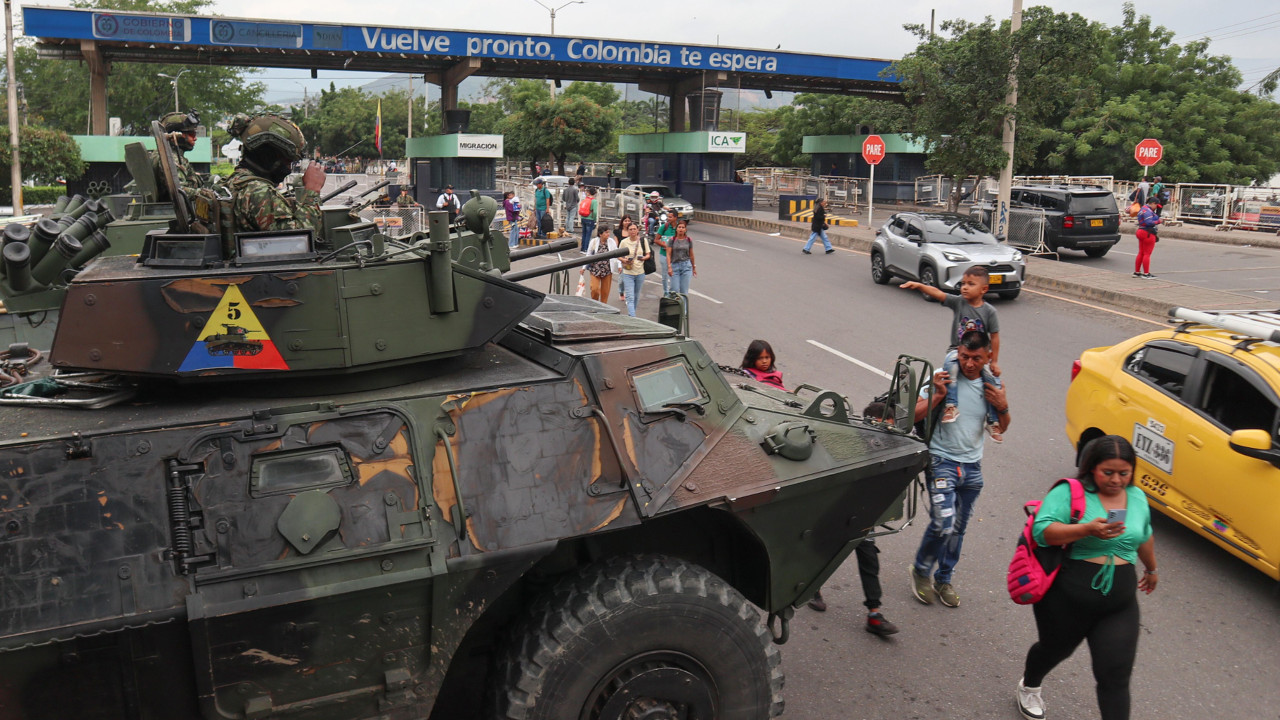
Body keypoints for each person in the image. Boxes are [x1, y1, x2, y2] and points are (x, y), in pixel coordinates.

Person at [1017, 435, 1157, 720]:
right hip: (1066, 598)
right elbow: (1042, 532)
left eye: (1124, 473)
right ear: (1092, 467)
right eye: (1108, 472)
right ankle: (1029, 685)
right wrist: (1086, 529)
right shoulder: (1070, 492)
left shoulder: (1137, 497)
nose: (1116, 480)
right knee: (1054, 650)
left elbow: (1144, 535)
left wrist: (1151, 568)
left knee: (1115, 676)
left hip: (1118, 604)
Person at [908, 329, 1010, 608]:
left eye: (977, 358)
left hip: (972, 467)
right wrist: (939, 396)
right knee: (943, 523)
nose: (969, 364)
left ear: (988, 356)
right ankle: (921, 570)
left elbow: (1002, 427)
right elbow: (912, 415)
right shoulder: (944, 376)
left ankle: (944, 577)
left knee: (958, 528)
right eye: (964, 356)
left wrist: (1003, 406)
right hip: (941, 461)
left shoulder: (992, 384)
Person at [807, 397, 904, 636]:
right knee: (826, 552)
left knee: (869, 559)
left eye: (890, 426)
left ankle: (874, 612)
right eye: (882, 426)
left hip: (864, 514)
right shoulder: (851, 442)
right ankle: (812, 589)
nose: (886, 431)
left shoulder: (895, 446)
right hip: (839, 509)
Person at [900, 267, 1005, 442]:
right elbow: (938, 293)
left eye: (971, 284)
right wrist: (919, 285)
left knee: (992, 383)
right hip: (956, 351)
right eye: (963, 283)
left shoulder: (989, 312)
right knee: (951, 371)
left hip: (979, 355)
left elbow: (995, 337)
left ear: (984, 289)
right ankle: (951, 406)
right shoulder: (959, 303)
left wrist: (994, 361)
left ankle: (992, 422)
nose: (964, 287)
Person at [226, 113, 324, 234]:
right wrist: (312, 191)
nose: (288, 168)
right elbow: (300, 239)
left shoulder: (232, 182)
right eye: (288, 161)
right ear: (269, 156)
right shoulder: (258, 192)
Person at [150, 110, 210, 200]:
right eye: (192, 134)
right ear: (176, 135)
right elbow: (179, 190)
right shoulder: (171, 159)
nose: (195, 138)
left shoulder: (164, 154)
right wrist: (204, 194)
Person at [618, 222, 650, 317]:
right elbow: (618, 255)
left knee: (636, 296)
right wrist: (625, 260)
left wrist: (643, 258)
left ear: (637, 230)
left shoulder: (643, 241)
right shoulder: (624, 242)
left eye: (634, 229)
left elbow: (648, 254)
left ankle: (632, 314)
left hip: (640, 272)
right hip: (628, 272)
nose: (632, 231)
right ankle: (633, 317)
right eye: (630, 229)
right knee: (630, 297)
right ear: (627, 231)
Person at [585, 224, 619, 303]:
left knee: (605, 293)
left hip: (607, 270)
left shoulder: (611, 242)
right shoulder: (593, 242)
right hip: (595, 270)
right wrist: (583, 268)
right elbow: (588, 254)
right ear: (600, 234)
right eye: (606, 232)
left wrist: (619, 266)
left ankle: (603, 308)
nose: (608, 234)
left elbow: (617, 253)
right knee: (595, 289)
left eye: (608, 232)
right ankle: (595, 303)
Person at [1134, 196, 1161, 279]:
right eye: (1156, 205)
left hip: (1140, 231)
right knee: (1147, 254)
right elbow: (1149, 222)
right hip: (1147, 233)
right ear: (1153, 203)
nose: (1156, 207)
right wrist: (1159, 221)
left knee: (1141, 252)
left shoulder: (1142, 209)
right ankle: (1146, 274)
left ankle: (1137, 272)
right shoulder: (1148, 211)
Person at [667, 218, 697, 296]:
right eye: (679, 227)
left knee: (684, 292)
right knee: (675, 290)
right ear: (676, 229)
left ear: (685, 229)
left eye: (683, 227)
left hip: (686, 266)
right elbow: (668, 254)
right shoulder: (672, 240)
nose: (681, 229)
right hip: (675, 267)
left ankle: (684, 308)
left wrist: (693, 267)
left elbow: (691, 254)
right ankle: (674, 307)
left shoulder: (689, 240)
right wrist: (669, 267)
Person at [652, 210, 676, 294]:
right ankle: (666, 292)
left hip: (675, 256)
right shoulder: (664, 227)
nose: (668, 219)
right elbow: (656, 240)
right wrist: (666, 246)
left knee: (674, 274)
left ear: (675, 218)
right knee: (665, 275)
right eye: (668, 217)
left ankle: (673, 291)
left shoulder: (679, 228)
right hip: (664, 254)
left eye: (670, 217)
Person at [580, 185, 599, 252]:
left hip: (583, 217)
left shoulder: (585, 199)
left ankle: (582, 248)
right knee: (588, 234)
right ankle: (586, 249)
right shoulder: (594, 201)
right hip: (590, 219)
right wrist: (594, 219)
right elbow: (595, 212)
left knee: (584, 234)